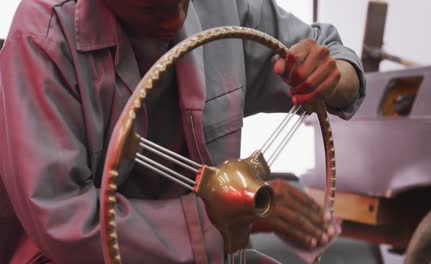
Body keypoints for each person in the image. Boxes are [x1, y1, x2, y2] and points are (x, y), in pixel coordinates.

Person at [0, 0, 366, 263]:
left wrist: (332, 78)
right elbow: (63, 221)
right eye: (152, 7)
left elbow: (333, 54)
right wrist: (243, 207)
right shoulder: (42, 39)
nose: (176, 16)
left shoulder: (222, 8)